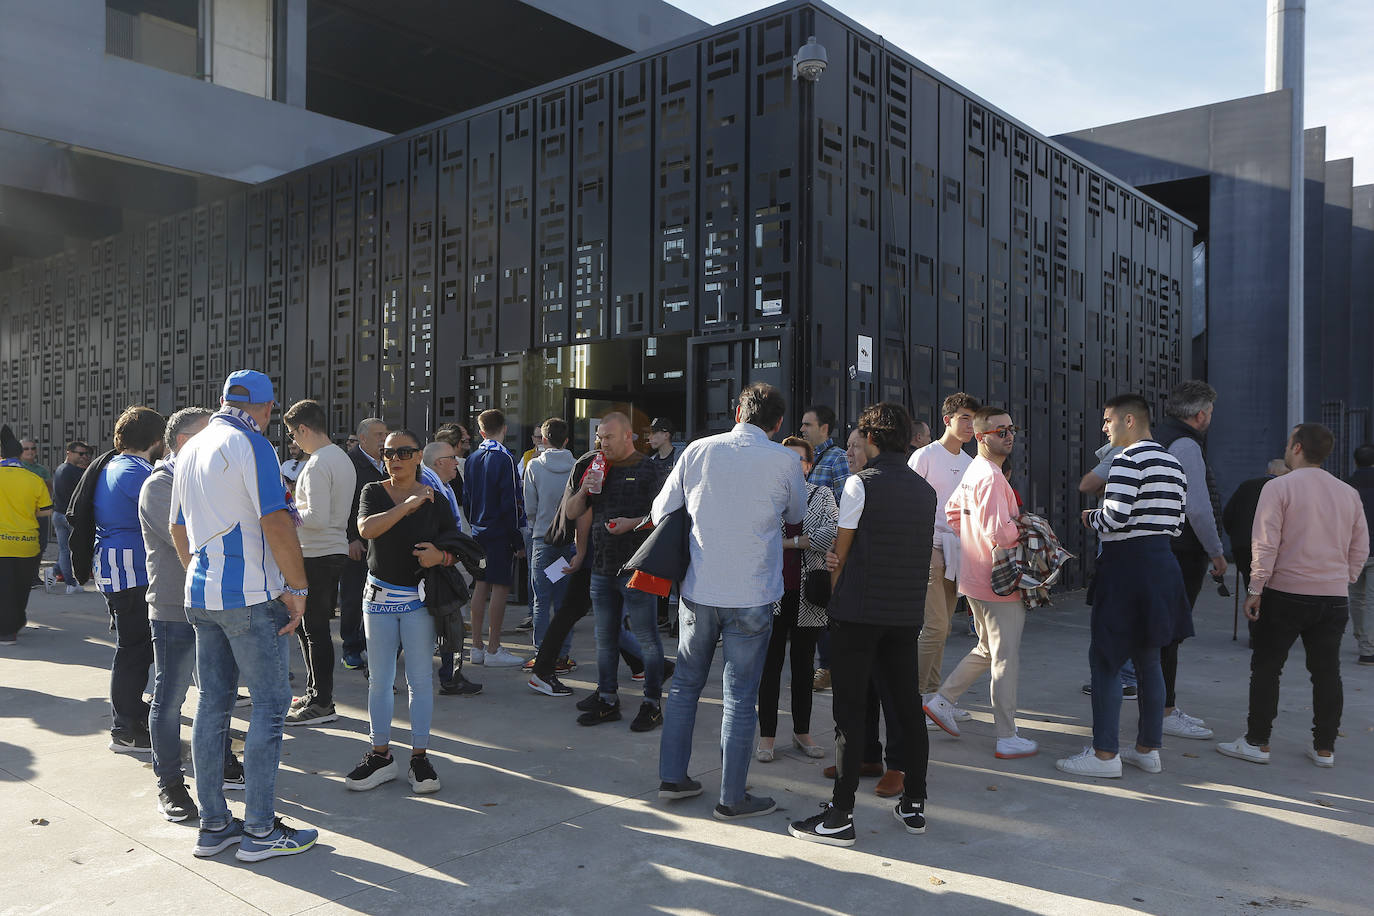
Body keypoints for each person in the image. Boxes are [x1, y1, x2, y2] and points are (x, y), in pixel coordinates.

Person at [169, 369, 318, 861]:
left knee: (213, 705)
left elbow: (177, 528)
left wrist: (203, 576)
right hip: (251, 597)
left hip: (202, 594)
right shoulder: (250, 443)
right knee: (271, 706)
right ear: (268, 408)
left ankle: (214, 825)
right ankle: (259, 830)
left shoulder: (190, 447)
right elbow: (275, 520)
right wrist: (297, 588)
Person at [653, 383, 805, 820]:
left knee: (684, 685)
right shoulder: (785, 459)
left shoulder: (698, 450)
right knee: (740, 695)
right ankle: (731, 797)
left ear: (737, 411)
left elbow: (663, 509)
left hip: (699, 588)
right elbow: (795, 518)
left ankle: (672, 777)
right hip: (753, 593)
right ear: (777, 424)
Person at [788, 403, 934, 846]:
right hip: (906, 613)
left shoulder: (859, 484)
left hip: (858, 613)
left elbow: (841, 550)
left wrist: (833, 578)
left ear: (871, 439)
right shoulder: (924, 490)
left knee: (849, 713)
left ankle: (840, 815)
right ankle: (914, 803)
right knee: (908, 707)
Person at [1217, 424, 1368, 769]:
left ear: (1297, 448)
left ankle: (1258, 741)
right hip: (1333, 596)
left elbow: (1265, 542)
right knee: (1327, 672)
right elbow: (1360, 546)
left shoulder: (1279, 487)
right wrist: (1345, 577)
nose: (1286, 449)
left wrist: (1255, 588)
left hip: (1285, 592)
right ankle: (1325, 747)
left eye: (1288, 444)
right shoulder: (1347, 493)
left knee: (1268, 667)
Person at [1056, 395, 1189, 779]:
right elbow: (1178, 524)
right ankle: (1148, 749)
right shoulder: (1173, 464)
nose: (1104, 428)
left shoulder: (1128, 460)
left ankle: (1104, 755)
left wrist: (1089, 516)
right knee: (1149, 661)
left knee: (1107, 660)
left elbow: (1113, 519)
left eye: (1108, 420)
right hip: (1163, 564)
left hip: (1126, 566)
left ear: (1129, 420)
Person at [138, 407, 245, 820]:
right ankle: (169, 783)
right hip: (172, 608)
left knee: (216, 692)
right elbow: (195, 540)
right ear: (183, 442)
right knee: (170, 698)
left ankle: (218, 762)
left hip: (212, 602)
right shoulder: (159, 485)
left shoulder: (199, 482)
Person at [344, 429, 460, 794]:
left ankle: (419, 758)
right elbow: (366, 529)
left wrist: (440, 556)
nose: (395, 458)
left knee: (420, 681)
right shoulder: (373, 492)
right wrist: (408, 504)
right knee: (379, 680)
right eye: (389, 452)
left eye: (404, 452)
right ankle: (380, 755)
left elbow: (459, 545)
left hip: (418, 601)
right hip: (377, 599)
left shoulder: (437, 499)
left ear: (418, 455)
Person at [923, 405, 1038, 760]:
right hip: (997, 582)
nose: (1009, 435)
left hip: (976, 578)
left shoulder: (975, 470)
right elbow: (999, 533)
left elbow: (954, 512)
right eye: (1000, 431)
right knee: (1005, 658)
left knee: (988, 648)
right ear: (982, 436)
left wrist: (972, 542)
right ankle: (1006, 735)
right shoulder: (989, 476)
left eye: (1011, 428)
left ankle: (942, 701)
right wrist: (1024, 526)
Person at [564, 411, 668, 729]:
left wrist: (632, 524)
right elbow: (571, 512)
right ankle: (607, 698)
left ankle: (652, 703)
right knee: (605, 638)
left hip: (638, 568)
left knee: (647, 638)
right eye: (600, 437)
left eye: (608, 437)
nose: (602, 442)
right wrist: (584, 490)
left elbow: (665, 515)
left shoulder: (649, 468)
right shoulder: (598, 467)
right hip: (603, 567)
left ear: (627, 436)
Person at [756, 436, 837, 762]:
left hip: (810, 595)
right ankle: (767, 737)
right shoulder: (765, 498)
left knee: (804, 668)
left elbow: (830, 532)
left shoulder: (823, 495)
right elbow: (760, 539)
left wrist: (787, 542)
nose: (792, 466)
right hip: (771, 594)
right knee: (769, 668)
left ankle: (802, 732)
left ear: (809, 464)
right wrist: (799, 541)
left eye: (799, 460)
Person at [1155, 379, 1224, 740]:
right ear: (1200, 415)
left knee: (1159, 632)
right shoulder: (1186, 446)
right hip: (1181, 551)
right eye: (1211, 412)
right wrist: (1216, 551)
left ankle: (1161, 706)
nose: (1211, 418)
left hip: (1153, 547)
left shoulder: (1157, 438)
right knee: (1171, 632)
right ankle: (1164, 710)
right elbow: (1197, 506)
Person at [94, 406, 165, 753]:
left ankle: (131, 714)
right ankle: (125, 727)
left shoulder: (117, 465)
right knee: (134, 651)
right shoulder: (137, 472)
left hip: (119, 566)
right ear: (157, 439)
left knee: (135, 649)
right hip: (130, 569)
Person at [282, 399, 356, 726]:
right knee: (313, 629)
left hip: (316, 553)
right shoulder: (340, 457)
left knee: (314, 629)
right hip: (329, 550)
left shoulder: (317, 463)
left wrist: (285, 513)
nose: (293, 442)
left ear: (304, 429)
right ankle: (316, 694)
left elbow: (316, 517)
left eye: (292, 435)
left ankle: (322, 701)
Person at [909, 392, 979, 699]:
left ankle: (932, 699)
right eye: (965, 417)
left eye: (974, 420)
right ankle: (913, 697)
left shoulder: (972, 463)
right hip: (927, 549)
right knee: (936, 628)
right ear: (947, 419)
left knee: (944, 628)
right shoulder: (924, 456)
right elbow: (906, 503)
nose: (970, 425)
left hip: (958, 550)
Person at [463, 409, 527, 668]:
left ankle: (477, 647)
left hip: (478, 529)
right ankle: (493, 648)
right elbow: (511, 502)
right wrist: (517, 540)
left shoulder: (472, 458)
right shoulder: (506, 458)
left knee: (480, 584)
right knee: (500, 587)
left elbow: (467, 499)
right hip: (500, 531)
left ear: (481, 431)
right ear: (504, 428)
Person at [424, 440, 482, 697]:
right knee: (450, 622)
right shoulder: (427, 485)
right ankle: (451, 677)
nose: (458, 461)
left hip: (442, 561)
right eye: (452, 457)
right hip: (433, 565)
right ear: (439, 462)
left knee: (447, 621)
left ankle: (452, 676)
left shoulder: (440, 484)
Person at [523, 418, 578, 672]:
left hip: (543, 538)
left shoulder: (533, 466)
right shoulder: (578, 466)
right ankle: (562, 655)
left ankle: (541, 653)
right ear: (566, 440)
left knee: (541, 601)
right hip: (569, 540)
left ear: (543, 440)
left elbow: (530, 508)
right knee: (564, 601)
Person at [340, 417, 389, 671]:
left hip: (383, 543)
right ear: (363, 439)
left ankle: (373, 645)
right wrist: (350, 539)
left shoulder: (389, 463)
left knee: (378, 595)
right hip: (357, 542)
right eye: (379, 435)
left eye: (385, 434)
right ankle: (351, 647)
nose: (384, 439)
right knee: (353, 595)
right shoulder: (349, 463)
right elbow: (342, 505)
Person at [0, 425, 52, 645]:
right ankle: (16, 623)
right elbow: (46, 511)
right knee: (21, 587)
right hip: (28, 544)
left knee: (4, 589)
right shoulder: (34, 479)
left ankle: (6, 631)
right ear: (20, 454)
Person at [48, 439, 91, 594]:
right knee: (73, 549)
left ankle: (54, 572)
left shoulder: (60, 469)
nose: (84, 457)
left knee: (64, 550)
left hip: (58, 515)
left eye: (86, 454)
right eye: (80, 453)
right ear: (69, 453)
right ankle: (71, 583)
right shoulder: (73, 471)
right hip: (69, 517)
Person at [1347, 445, 1374, 666]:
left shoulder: (1346, 486)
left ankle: (1360, 637)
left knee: (1356, 597)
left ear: (1355, 461)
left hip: (1352, 550)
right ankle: (1368, 648)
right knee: (1372, 600)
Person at [19, 438, 52, 583]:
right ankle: (24, 575)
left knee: (41, 544)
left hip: (40, 513)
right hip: (22, 515)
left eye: (32, 448)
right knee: (24, 545)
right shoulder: (18, 468)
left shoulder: (41, 470)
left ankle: (34, 575)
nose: (30, 451)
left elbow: (49, 489)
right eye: (26, 449)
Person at [799, 404, 848, 502]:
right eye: (803, 424)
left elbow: (845, 502)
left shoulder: (838, 458)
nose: (802, 429)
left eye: (807, 425)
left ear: (824, 428)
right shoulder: (801, 457)